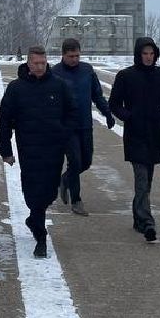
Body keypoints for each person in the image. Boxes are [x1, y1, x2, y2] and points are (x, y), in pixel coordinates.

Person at [0, 45, 74, 259]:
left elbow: (71, 114)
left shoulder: (59, 86)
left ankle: (34, 219)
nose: (40, 67)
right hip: (29, 149)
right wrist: (6, 150)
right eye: (36, 63)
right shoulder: (16, 88)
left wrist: (66, 137)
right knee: (32, 193)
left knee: (49, 192)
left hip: (54, 148)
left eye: (43, 63)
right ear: (28, 63)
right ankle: (41, 236)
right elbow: (5, 121)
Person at [108, 35, 160, 244]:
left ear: (155, 55)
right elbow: (114, 103)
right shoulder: (126, 76)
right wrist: (128, 117)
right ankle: (148, 222)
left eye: (151, 54)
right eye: (144, 54)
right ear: (138, 55)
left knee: (147, 180)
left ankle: (138, 217)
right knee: (141, 178)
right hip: (135, 134)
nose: (148, 57)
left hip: (155, 134)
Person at [51, 38, 113, 215]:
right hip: (66, 128)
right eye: (71, 56)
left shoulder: (87, 70)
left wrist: (107, 113)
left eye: (77, 55)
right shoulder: (55, 73)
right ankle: (76, 200)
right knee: (75, 161)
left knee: (86, 162)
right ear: (63, 55)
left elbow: (97, 95)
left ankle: (65, 179)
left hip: (85, 125)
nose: (74, 59)